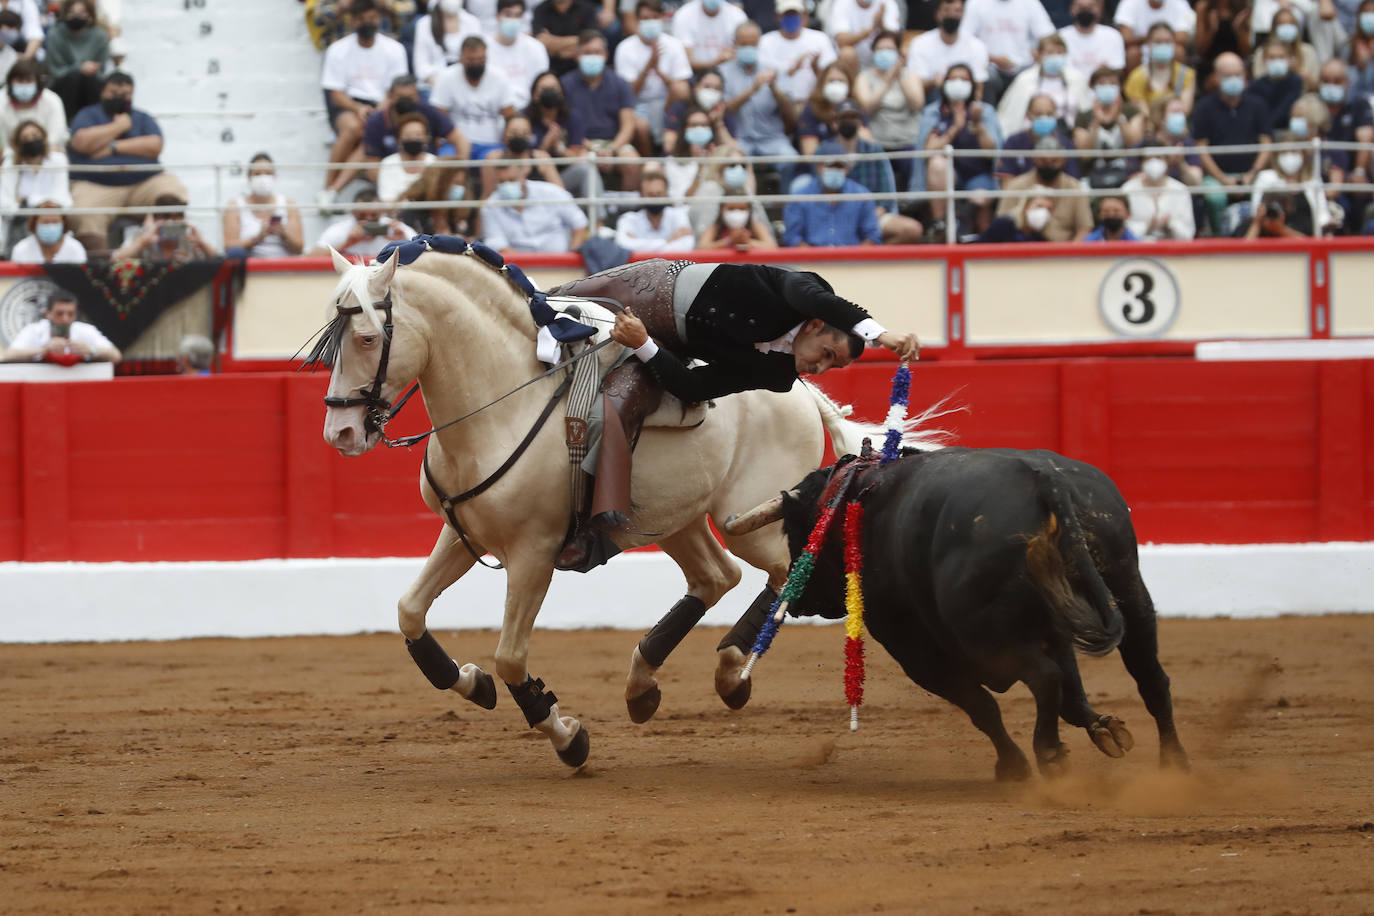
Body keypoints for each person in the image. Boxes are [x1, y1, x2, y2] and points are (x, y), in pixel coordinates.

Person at [549, 257, 920, 569]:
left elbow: (694, 388)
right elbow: (815, 297)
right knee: (542, 302)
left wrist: (643, 344)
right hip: (644, 288)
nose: (820, 370)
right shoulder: (793, 293)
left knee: (614, 406)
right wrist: (880, 336)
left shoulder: (777, 375)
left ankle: (586, 527)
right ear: (815, 323)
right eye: (826, 354)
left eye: (831, 367)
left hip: (658, 338)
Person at [66, 71, 189, 255]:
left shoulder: (142, 117)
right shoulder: (88, 114)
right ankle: (98, 270)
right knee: (84, 213)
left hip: (144, 183)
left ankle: (171, 258)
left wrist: (113, 146)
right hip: (96, 185)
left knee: (173, 196)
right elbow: (81, 142)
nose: (118, 98)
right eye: (113, 93)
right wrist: (119, 126)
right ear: (103, 92)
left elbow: (155, 145)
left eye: (125, 95)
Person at [318, 0, 410, 207]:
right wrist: (358, 108)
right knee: (353, 127)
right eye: (361, 20)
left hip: (384, 104)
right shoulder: (337, 49)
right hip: (349, 105)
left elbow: (396, 91)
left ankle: (330, 191)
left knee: (369, 130)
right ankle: (328, 187)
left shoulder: (394, 49)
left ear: (379, 19)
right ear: (352, 21)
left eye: (371, 19)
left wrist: (378, 109)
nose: (366, 23)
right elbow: (336, 95)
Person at [1192, 52, 1272, 234]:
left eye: (1238, 74)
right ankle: (1221, 237)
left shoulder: (1257, 104)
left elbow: (1266, 143)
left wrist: (1252, 174)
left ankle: (1259, 235)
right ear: (1216, 78)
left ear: (1245, 75)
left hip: (1253, 174)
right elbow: (1201, 148)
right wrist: (1223, 179)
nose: (1234, 80)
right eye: (1228, 76)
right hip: (1217, 176)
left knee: (1268, 189)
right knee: (1214, 196)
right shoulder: (1204, 107)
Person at [923, 65, 999, 238]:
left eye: (964, 79)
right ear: (944, 83)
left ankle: (983, 241)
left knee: (980, 199)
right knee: (936, 162)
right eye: (953, 79)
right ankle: (939, 223)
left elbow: (992, 153)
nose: (958, 83)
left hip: (979, 175)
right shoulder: (935, 112)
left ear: (972, 85)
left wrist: (979, 126)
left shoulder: (984, 111)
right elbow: (928, 150)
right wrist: (956, 128)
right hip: (949, 175)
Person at [721, 21, 799, 187]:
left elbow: (789, 112)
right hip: (739, 139)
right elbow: (726, 109)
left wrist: (775, 89)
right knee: (733, 165)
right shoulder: (723, 72)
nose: (749, 48)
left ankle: (787, 209)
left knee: (790, 158)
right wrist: (753, 89)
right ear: (735, 43)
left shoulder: (774, 70)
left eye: (753, 43)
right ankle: (742, 207)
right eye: (744, 44)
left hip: (772, 139)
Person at [832, 100, 923, 242]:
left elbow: (886, 197)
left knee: (912, 229)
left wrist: (867, 217)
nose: (848, 122)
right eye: (843, 118)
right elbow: (819, 194)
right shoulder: (825, 152)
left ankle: (868, 258)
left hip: (872, 215)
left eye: (852, 118)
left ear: (860, 122)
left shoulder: (874, 150)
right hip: (833, 217)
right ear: (835, 123)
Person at [560, 30, 640, 191]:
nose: (592, 57)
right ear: (577, 55)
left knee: (632, 161)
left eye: (597, 52)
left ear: (606, 55)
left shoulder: (620, 84)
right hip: (579, 143)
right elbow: (563, 126)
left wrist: (612, 149)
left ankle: (626, 211)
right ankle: (593, 213)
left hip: (614, 142)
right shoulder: (565, 84)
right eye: (587, 52)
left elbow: (628, 125)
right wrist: (593, 149)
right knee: (583, 162)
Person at [614, 0, 692, 147]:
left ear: (662, 18)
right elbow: (628, 94)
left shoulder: (674, 45)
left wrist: (659, 72)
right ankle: (648, 160)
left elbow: (683, 90)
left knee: (681, 90)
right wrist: (648, 66)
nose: (651, 22)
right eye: (645, 18)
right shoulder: (625, 48)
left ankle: (669, 151)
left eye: (655, 17)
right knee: (640, 125)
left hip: (666, 102)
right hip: (639, 105)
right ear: (637, 20)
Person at [431, 36, 520, 163]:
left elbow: (510, 116)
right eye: (471, 60)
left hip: (491, 144)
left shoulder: (500, 77)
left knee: (498, 161)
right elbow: (438, 117)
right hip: (455, 144)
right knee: (447, 161)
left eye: (480, 59)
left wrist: (508, 140)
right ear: (461, 58)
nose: (476, 64)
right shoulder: (446, 77)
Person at [855, 30, 923, 193]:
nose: (885, 53)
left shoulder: (910, 75)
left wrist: (899, 77)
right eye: (880, 49)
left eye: (890, 49)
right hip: (878, 143)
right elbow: (867, 108)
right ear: (873, 52)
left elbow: (917, 104)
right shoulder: (864, 77)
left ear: (898, 53)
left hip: (908, 142)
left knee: (913, 164)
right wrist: (887, 80)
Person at [782, 139, 882, 246]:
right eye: (830, 165)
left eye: (840, 166)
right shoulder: (800, 196)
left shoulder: (862, 196)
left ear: (847, 169)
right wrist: (812, 260)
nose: (835, 170)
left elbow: (872, 236)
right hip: (811, 260)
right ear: (818, 166)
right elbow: (793, 237)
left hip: (853, 260)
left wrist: (853, 259)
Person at [995, 33, 1091, 140]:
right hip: (1031, 136)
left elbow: (1086, 112)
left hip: (1068, 136)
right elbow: (1011, 116)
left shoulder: (1076, 78)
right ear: (1039, 55)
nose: (1055, 56)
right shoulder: (1025, 79)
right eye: (1050, 52)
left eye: (1059, 52)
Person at [996, 135, 1093, 240]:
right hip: (1023, 249)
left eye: (1054, 161)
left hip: (1064, 251)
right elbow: (1002, 223)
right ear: (1034, 159)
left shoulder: (1075, 188)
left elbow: (1084, 228)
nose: (1048, 166)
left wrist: (1071, 254)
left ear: (1063, 160)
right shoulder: (1016, 186)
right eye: (1043, 161)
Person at [362, 75, 471, 167]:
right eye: (401, 97)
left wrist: (460, 172)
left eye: (410, 97)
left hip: (428, 173)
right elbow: (372, 162)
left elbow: (460, 140)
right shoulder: (376, 121)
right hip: (392, 173)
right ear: (390, 96)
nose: (405, 101)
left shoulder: (428, 112)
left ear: (417, 96)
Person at [480, 161, 589, 252]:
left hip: (563, 266)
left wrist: (571, 258)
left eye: (512, 180)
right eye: (501, 181)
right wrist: (522, 271)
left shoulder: (552, 192)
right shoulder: (490, 206)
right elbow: (497, 244)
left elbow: (579, 224)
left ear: (524, 175)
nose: (506, 185)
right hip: (518, 270)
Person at [1245, 131, 1338, 237]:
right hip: (1272, 238)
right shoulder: (1266, 178)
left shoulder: (1313, 179)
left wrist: (1328, 226)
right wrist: (1278, 228)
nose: (1289, 156)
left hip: (1306, 240)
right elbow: (1257, 214)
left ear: (1302, 154)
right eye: (1284, 152)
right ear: (1276, 156)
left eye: (1294, 151)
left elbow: (1323, 216)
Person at [961, 0, 1056, 104]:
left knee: (1033, 76)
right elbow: (964, 40)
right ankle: (988, 116)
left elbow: (1048, 37)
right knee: (987, 77)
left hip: (1023, 67)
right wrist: (994, 59)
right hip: (990, 66)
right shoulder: (976, 3)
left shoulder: (1030, 3)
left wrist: (1038, 53)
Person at [1, 119, 71, 249]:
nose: (31, 140)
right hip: (19, 226)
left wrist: (27, 202)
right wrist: (44, 203)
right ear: (18, 143)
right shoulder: (11, 164)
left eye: (35, 136)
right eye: (25, 138)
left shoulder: (58, 160)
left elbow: (64, 200)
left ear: (43, 137)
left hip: (51, 221)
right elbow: (5, 204)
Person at [0, 288, 118, 363]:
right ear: (48, 314)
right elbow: (8, 355)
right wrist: (44, 350)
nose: (65, 319)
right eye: (59, 314)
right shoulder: (34, 330)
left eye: (70, 314)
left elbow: (116, 355)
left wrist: (91, 350)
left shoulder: (86, 330)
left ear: (76, 315)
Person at [222, 153, 304, 258]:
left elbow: (299, 248)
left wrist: (283, 235)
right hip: (250, 269)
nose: (263, 177)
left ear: (274, 177)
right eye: (257, 174)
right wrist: (257, 238)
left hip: (285, 269)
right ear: (249, 178)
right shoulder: (234, 206)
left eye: (268, 173)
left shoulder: (289, 205)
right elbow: (229, 247)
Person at [1074, 66, 1144, 188]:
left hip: (1128, 175)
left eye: (1112, 83)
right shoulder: (1083, 116)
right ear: (1093, 87)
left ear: (1120, 87)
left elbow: (1135, 145)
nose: (1107, 87)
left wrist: (1119, 117)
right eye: (1101, 83)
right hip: (1092, 176)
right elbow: (1085, 154)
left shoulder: (1132, 112)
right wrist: (1095, 122)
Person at [758, 0, 837, 106]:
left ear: (804, 16)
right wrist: (791, 69)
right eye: (786, 14)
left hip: (813, 102)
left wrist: (815, 67)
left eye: (795, 14)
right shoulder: (765, 41)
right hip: (778, 105)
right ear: (778, 16)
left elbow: (831, 74)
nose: (791, 18)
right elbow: (763, 78)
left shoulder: (820, 38)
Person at [904, 0, 990, 97]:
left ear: (963, 14)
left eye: (957, 11)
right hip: (933, 100)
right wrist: (934, 82)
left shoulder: (977, 46)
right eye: (947, 10)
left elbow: (979, 86)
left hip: (966, 100)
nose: (952, 15)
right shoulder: (920, 43)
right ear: (938, 14)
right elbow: (916, 86)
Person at [42, 0, 108, 122]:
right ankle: (69, 122)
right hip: (62, 84)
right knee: (74, 77)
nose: (76, 16)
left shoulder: (100, 36)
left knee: (90, 79)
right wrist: (79, 68)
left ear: (90, 15)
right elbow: (55, 71)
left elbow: (101, 71)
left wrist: (89, 70)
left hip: (91, 83)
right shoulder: (54, 34)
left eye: (82, 12)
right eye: (72, 12)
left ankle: (95, 121)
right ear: (64, 14)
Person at [311, 189, 420, 258]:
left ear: (381, 211)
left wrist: (404, 242)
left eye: (374, 215)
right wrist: (347, 243)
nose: (368, 220)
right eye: (362, 215)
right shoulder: (340, 230)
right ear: (353, 212)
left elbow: (424, 257)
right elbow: (311, 258)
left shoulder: (396, 229)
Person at [996, 92, 1079, 183]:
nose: (1044, 118)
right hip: (1022, 195)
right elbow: (1006, 182)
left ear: (1056, 115)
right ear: (1028, 115)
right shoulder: (1013, 142)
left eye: (1049, 114)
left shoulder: (1065, 144)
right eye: (1038, 114)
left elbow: (1072, 183)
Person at [111, 194, 218, 263]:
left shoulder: (191, 238)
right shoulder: (142, 236)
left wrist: (201, 243)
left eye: (176, 217)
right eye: (166, 217)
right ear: (155, 219)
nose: (170, 223)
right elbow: (115, 260)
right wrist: (143, 241)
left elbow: (219, 261)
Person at [1123, 139, 1196, 239]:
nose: (1154, 162)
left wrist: (1170, 226)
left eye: (1158, 157)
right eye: (1148, 158)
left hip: (1173, 250)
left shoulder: (1181, 190)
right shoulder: (1127, 190)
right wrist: (1147, 226)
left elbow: (1188, 233)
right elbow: (1122, 233)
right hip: (1139, 250)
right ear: (1141, 162)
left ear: (1166, 160)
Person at [481, 112, 563, 197]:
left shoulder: (541, 158)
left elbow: (561, 193)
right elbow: (487, 195)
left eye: (525, 133)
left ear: (531, 136)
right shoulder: (494, 159)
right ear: (504, 134)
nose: (519, 137)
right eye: (514, 133)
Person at [486, 0, 550, 108]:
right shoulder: (485, 48)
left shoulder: (536, 48)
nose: (512, 19)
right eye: (508, 14)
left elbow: (541, 83)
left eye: (517, 15)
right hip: (496, 107)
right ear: (497, 16)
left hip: (530, 109)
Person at [1123, 22, 1196, 114]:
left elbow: (1185, 110)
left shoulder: (1186, 74)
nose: (1163, 46)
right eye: (1158, 42)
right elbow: (1142, 112)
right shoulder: (1136, 76)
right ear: (1148, 44)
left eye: (1167, 42)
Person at [615, 169, 695, 251]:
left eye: (659, 194)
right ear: (641, 195)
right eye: (650, 195)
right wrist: (669, 241)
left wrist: (640, 246)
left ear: (666, 194)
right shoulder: (628, 219)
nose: (655, 199)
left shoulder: (678, 214)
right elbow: (623, 245)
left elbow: (687, 245)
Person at [412, 0, 482, 92]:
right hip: (434, 85)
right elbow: (420, 66)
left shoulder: (472, 22)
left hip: (467, 82)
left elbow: (478, 56)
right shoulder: (424, 24)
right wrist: (442, 85)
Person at [0, 59, 69, 151]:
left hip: (48, 154)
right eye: (20, 80)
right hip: (10, 157)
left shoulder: (52, 100)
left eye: (29, 80)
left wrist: (37, 153)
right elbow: (3, 144)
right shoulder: (1, 101)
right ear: (10, 82)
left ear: (38, 83)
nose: (24, 85)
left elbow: (56, 136)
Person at [1113, 0, 1193, 71]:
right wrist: (1151, 40)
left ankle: (1176, 86)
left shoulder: (1180, 3)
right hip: (1142, 48)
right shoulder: (1129, 2)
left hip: (1169, 47)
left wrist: (1160, 41)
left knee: (1179, 51)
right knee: (1132, 53)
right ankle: (1132, 85)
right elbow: (1125, 39)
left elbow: (1182, 38)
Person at [1246, 39, 1304, 135]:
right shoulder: (1255, 85)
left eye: (1281, 57)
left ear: (1289, 59)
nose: (1277, 61)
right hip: (1263, 134)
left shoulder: (1296, 82)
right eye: (1272, 57)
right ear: (1264, 60)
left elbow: (1286, 110)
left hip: (1288, 133)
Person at [673, 0, 747, 76]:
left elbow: (745, 50)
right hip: (696, 76)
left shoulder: (737, 15)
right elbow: (685, 62)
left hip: (731, 75)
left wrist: (734, 53)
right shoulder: (684, 14)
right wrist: (716, 62)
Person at [826, 0, 901, 75]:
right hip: (853, 62)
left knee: (895, 50)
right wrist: (872, 29)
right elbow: (841, 41)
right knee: (847, 53)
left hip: (877, 60)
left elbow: (895, 39)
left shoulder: (887, 3)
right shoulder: (842, 3)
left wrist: (881, 25)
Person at [533, 0, 604, 77]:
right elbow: (541, 42)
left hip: (580, 68)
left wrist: (554, 48)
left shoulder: (587, 8)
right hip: (550, 67)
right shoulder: (540, 10)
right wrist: (577, 42)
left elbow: (591, 41)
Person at [1253, 7, 1319, 89]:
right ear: (1274, 28)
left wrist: (1298, 72)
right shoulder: (1261, 52)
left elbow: (1316, 86)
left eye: (1290, 24)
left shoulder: (1308, 51)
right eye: (1282, 24)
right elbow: (1257, 83)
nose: (1286, 27)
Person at [377, 113, 437, 202]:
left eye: (418, 135)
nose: (413, 139)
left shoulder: (435, 163)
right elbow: (386, 199)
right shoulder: (388, 163)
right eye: (408, 136)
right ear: (399, 140)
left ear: (426, 138)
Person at [1058, 0, 1125, 78]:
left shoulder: (1113, 35)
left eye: (1090, 7)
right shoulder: (1060, 36)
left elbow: (1117, 70)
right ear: (1071, 9)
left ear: (1099, 9)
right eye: (1081, 7)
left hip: (1100, 86)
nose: (1085, 11)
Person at [8, 199, 86, 263]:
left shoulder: (75, 248)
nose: (50, 226)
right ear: (35, 224)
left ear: (63, 223)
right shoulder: (21, 249)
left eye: (55, 222)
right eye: (45, 222)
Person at [697, 193, 778, 249]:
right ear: (722, 210)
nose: (736, 212)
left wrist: (747, 241)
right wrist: (729, 241)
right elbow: (701, 248)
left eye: (742, 209)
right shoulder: (714, 228)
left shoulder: (756, 226)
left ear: (749, 210)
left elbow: (772, 248)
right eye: (731, 208)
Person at [976, 192, 1053, 240]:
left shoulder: (1040, 239)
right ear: (1026, 207)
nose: (1044, 213)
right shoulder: (1003, 225)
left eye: (1048, 209)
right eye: (1039, 206)